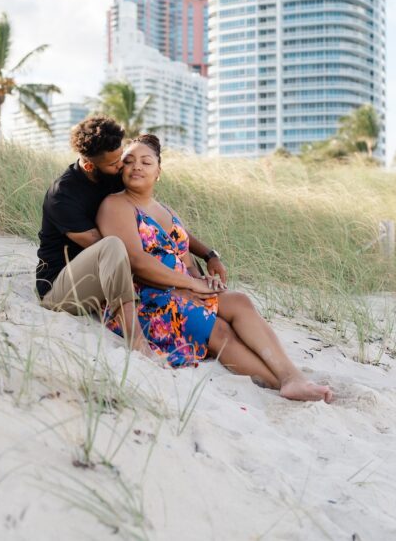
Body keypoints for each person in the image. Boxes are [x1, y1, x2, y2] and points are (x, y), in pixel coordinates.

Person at [96, 134, 333, 403]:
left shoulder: (167, 211)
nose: (137, 166)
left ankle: (292, 378)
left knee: (239, 301)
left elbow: (185, 259)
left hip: (180, 290)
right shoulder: (116, 205)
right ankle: (278, 382)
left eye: (146, 162)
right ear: (121, 169)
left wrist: (204, 284)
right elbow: (136, 261)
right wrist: (190, 285)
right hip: (145, 298)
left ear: (158, 172)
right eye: (129, 161)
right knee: (219, 330)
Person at [36, 117, 227, 359]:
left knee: (168, 252)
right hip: (63, 290)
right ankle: (137, 341)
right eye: (115, 163)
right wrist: (178, 283)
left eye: (122, 158)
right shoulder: (63, 197)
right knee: (114, 246)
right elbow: (122, 256)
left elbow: (157, 225)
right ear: (89, 166)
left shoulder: (112, 175)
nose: (122, 167)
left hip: (105, 285)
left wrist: (208, 254)